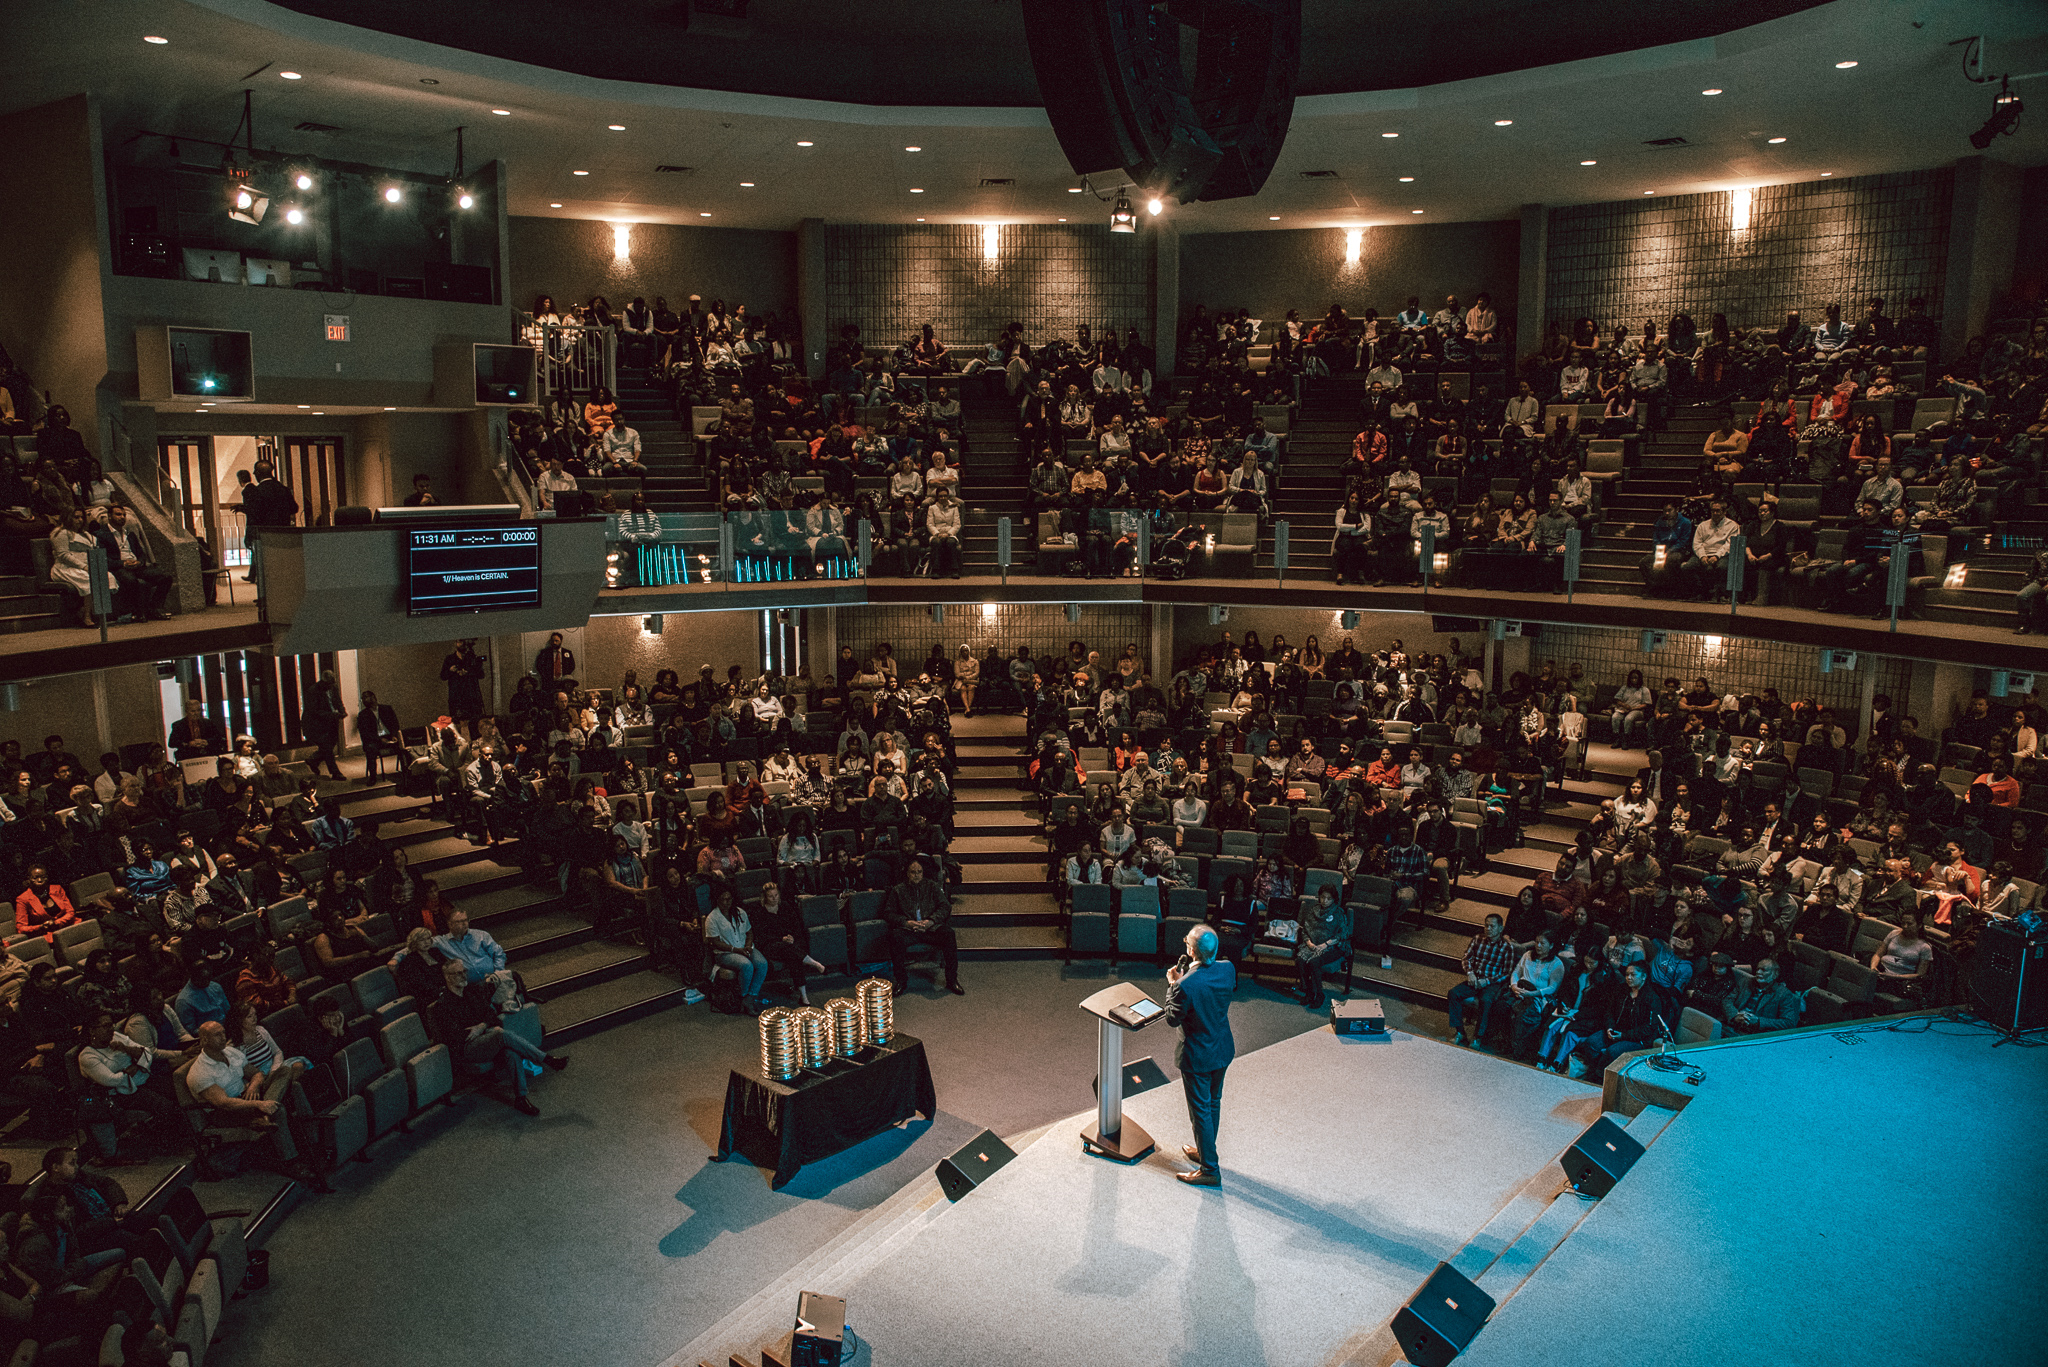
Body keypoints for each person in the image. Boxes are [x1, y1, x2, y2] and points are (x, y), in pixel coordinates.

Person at [429, 957, 566, 1117]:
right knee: (500, 1034)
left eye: (464, 971)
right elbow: (456, 1036)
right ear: (448, 977)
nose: (463, 975)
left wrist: (481, 1027)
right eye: (458, 973)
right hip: (466, 1049)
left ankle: (521, 1098)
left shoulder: (471, 992)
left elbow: (491, 1015)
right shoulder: (442, 1005)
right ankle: (547, 1060)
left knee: (511, 1052)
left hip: (485, 1038)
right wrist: (485, 1028)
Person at [1165, 924, 1235, 1187]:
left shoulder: (1185, 984)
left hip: (1197, 1056)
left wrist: (1173, 984)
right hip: (1221, 1048)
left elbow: (1172, 1018)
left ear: (1190, 950)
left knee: (1201, 1111)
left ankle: (1209, 1169)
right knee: (1213, 1102)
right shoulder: (1228, 969)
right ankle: (1205, 1149)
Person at [883, 859, 961, 996]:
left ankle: (952, 980)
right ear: (907, 873)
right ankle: (901, 981)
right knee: (895, 937)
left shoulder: (932, 886)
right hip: (909, 930)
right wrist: (906, 923)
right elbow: (889, 913)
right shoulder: (898, 890)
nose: (916, 875)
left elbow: (945, 906)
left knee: (949, 934)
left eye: (919, 872)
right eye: (913, 872)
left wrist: (931, 921)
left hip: (930, 928)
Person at [1447, 913, 1516, 1049]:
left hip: (1491, 982)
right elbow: (1466, 958)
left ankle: (1478, 1036)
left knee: (1486, 1001)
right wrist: (1470, 973)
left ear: (1500, 928)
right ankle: (1460, 1032)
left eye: (1492, 926)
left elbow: (1507, 973)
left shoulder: (1507, 947)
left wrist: (1487, 981)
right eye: (1486, 925)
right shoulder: (1478, 939)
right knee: (1453, 993)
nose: (1488, 929)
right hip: (1475, 978)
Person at [93, 504, 173, 621]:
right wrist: (122, 563)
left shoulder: (130, 534)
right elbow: (103, 559)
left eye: (124, 515)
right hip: (119, 567)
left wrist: (139, 562)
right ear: (109, 516)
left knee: (165, 578)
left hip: (135, 566)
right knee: (131, 581)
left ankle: (154, 608)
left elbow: (141, 554)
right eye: (118, 514)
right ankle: (137, 611)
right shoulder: (101, 535)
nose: (122, 517)